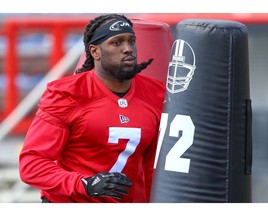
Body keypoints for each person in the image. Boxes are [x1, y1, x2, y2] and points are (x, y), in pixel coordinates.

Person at [19, 13, 166, 203]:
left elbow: (151, 164)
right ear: (95, 52)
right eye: (117, 43)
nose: (128, 49)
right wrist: (85, 184)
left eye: (132, 41)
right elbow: (32, 165)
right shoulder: (68, 94)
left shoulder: (156, 93)